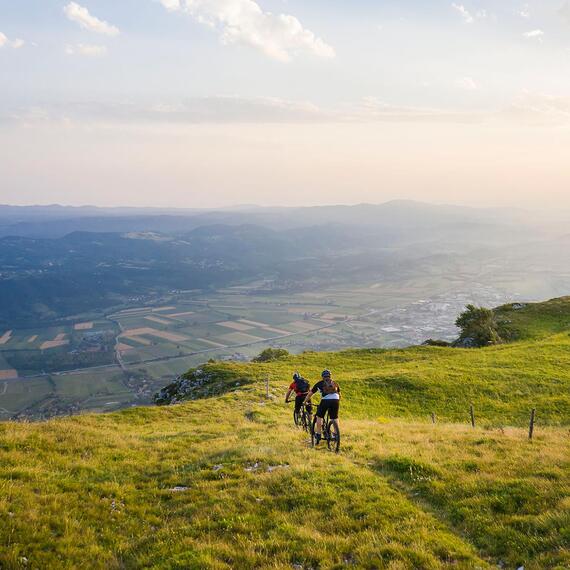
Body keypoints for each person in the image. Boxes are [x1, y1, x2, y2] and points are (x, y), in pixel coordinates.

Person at [304, 369, 340, 445]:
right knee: (334, 417)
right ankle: (336, 434)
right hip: (336, 400)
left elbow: (310, 394)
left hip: (325, 400)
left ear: (322, 377)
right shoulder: (335, 383)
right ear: (330, 376)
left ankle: (319, 434)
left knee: (319, 417)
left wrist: (305, 401)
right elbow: (339, 394)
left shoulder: (319, 383)